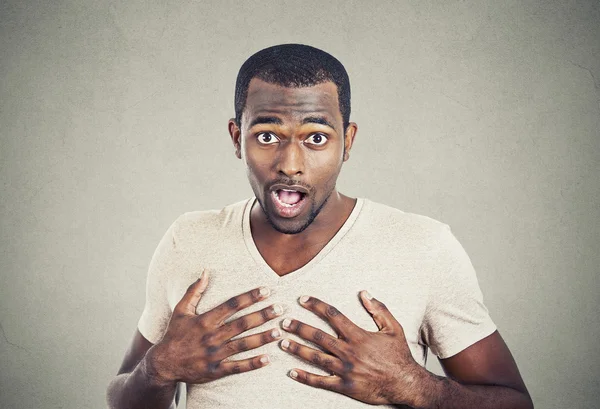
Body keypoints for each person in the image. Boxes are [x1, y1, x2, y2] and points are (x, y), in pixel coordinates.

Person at [107, 44, 533, 409]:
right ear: (237, 138)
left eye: (316, 138)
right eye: (268, 136)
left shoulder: (423, 245)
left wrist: (415, 386)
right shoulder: (189, 238)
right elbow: (122, 397)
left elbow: (516, 403)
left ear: (347, 141)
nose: (291, 165)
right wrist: (158, 368)